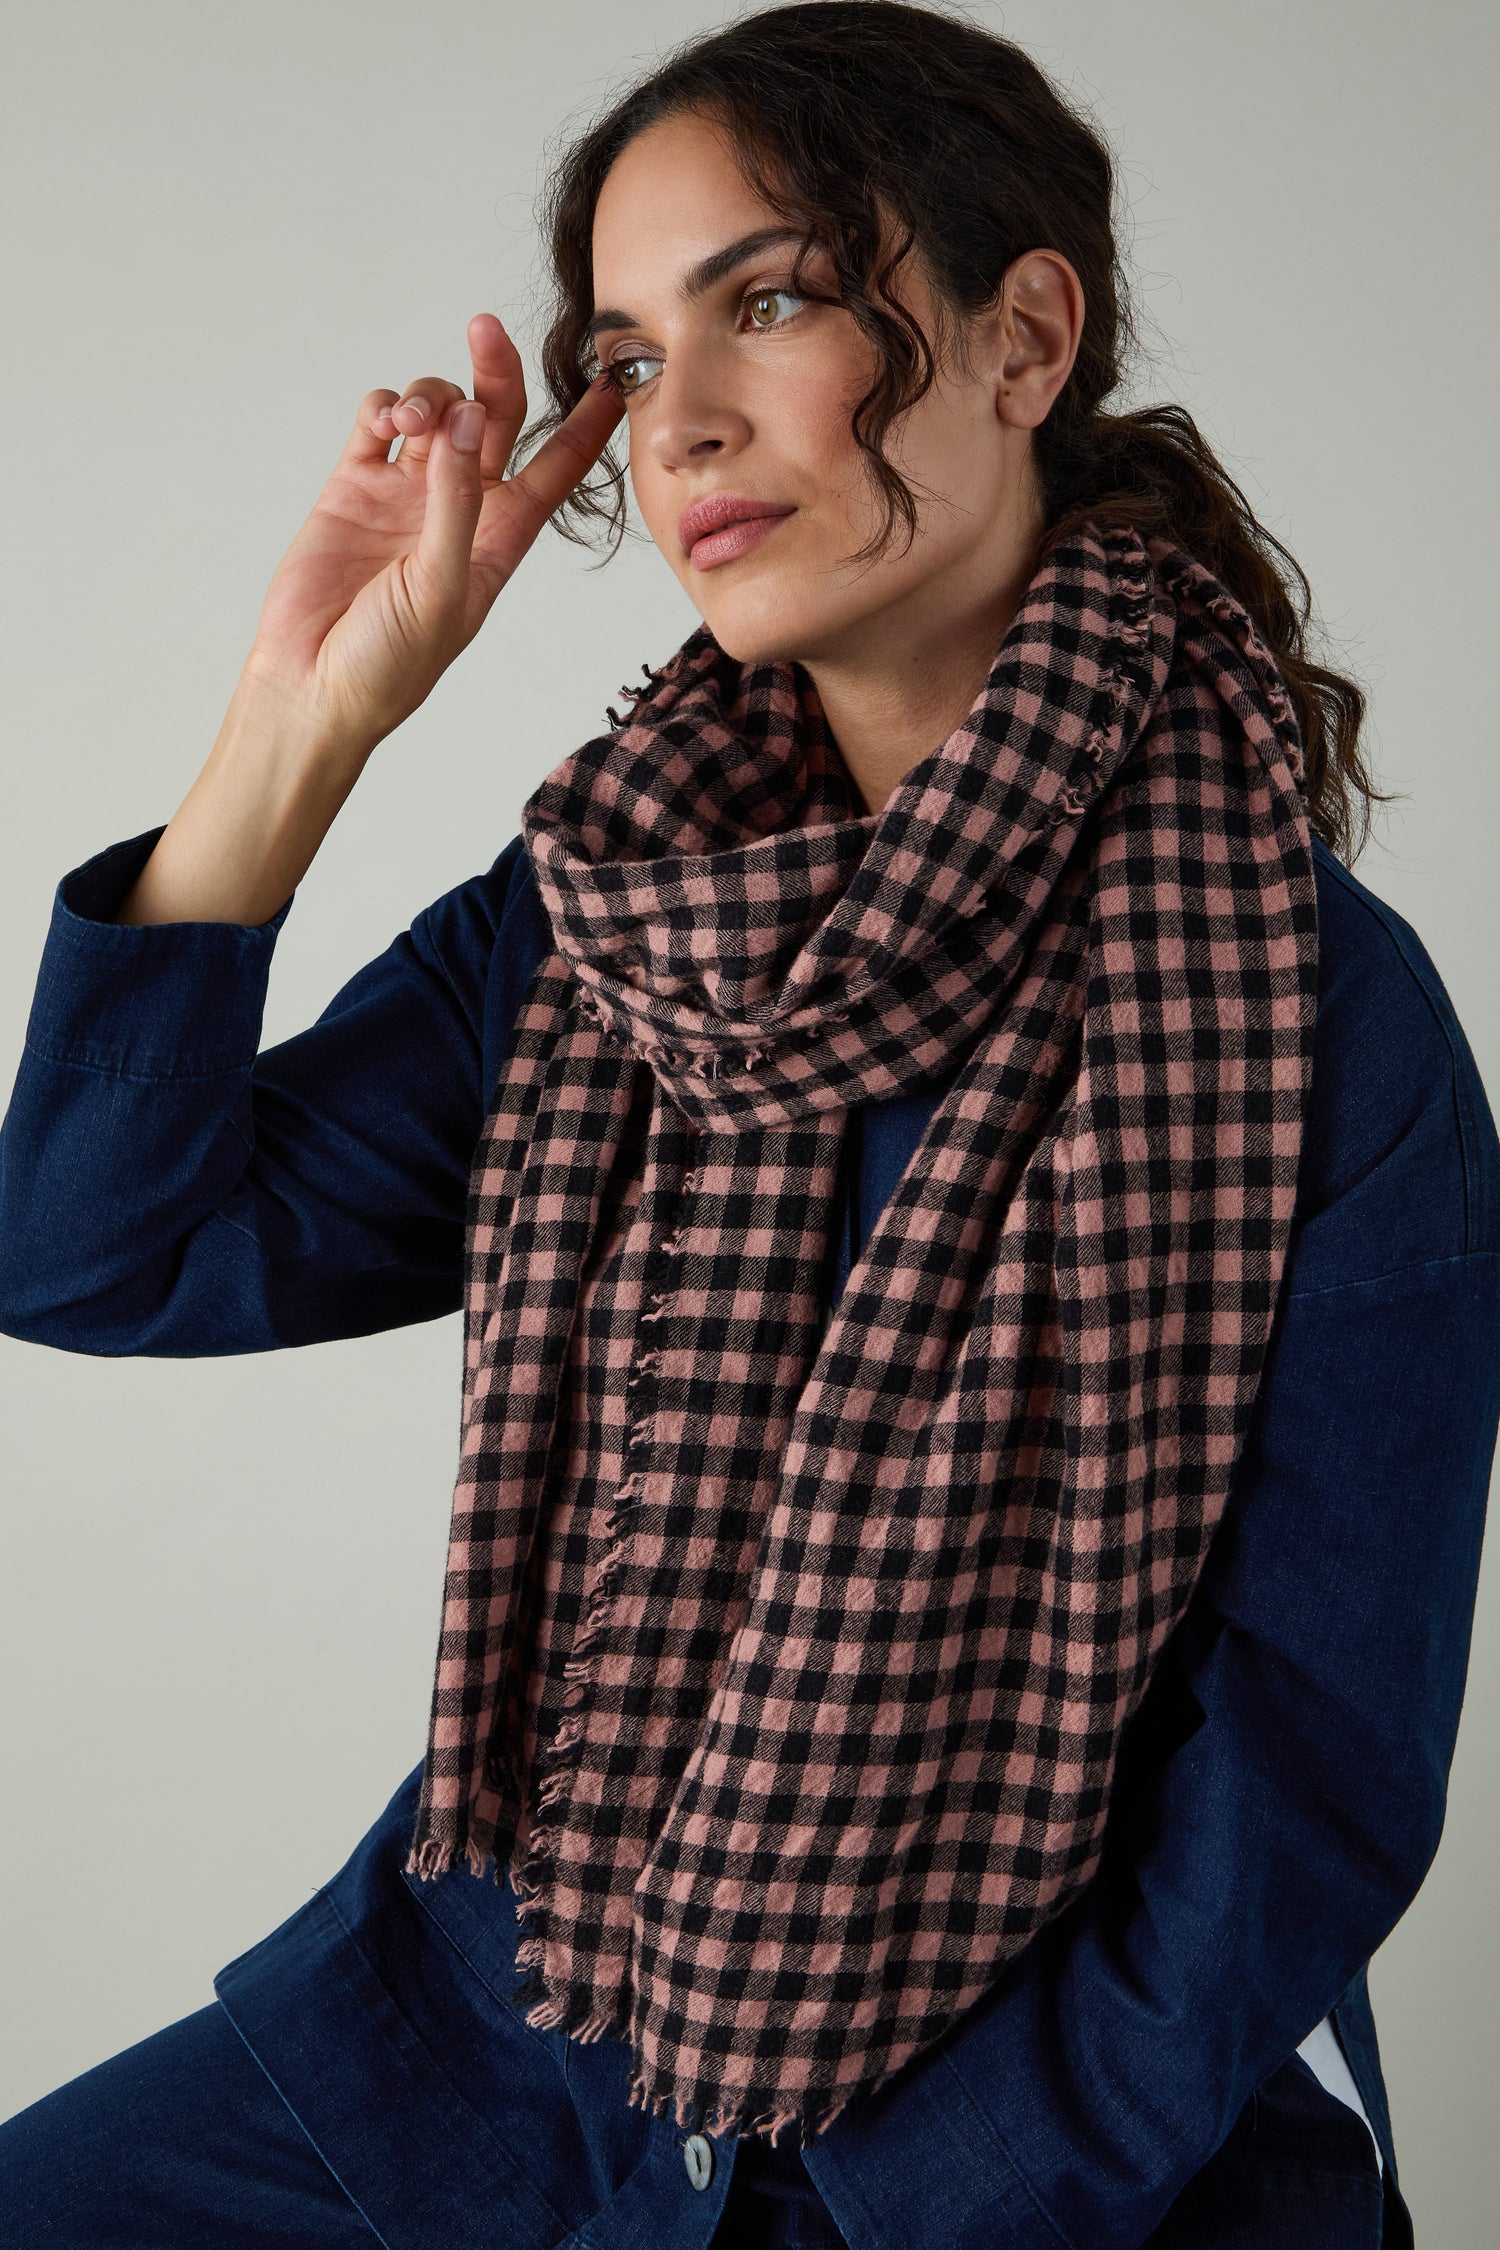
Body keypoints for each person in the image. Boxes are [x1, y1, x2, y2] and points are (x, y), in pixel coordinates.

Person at [1, 5, 1496, 2245]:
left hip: (1008, 2127)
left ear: (1026, 332)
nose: (676, 418)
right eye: (625, 352)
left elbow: (1301, 1785)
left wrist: (928, 2192)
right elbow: (93, 1251)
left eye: (774, 297)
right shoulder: (598, 926)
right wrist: (302, 725)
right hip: (508, 2040)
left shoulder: (1310, 1017)